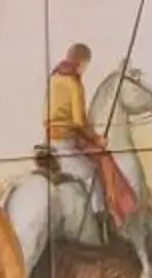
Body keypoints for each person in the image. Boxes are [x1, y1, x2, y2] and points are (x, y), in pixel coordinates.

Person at [46, 41, 140, 232]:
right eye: (86, 66)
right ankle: (101, 219)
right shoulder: (73, 82)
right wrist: (96, 139)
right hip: (67, 142)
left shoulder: (55, 77)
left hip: (51, 139)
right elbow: (79, 122)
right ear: (82, 62)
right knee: (99, 168)